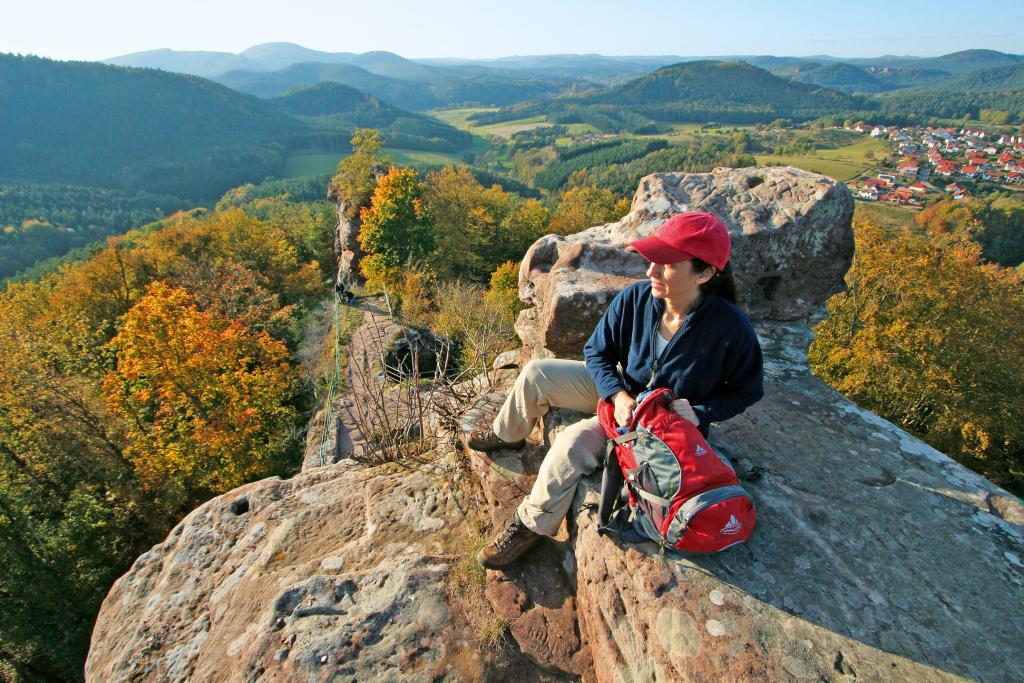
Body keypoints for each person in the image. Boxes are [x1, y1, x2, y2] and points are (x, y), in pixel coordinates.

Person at [467, 211, 764, 569]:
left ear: (704, 273)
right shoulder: (637, 298)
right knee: (536, 373)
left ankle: (532, 523)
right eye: (652, 259)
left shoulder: (730, 329)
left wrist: (702, 413)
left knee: (571, 445)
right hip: (622, 392)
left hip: (659, 425)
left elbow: (747, 391)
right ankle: (508, 434)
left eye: (667, 264)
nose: (650, 271)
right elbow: (597, 351)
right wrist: (617, 394)